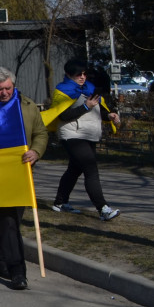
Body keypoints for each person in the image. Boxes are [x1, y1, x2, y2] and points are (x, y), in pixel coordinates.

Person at [0, 67, 48, 290]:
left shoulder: (28, 106)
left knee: (13, 221)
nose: (4, 93)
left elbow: (41, 133)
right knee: (9, 221)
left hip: (22, 172)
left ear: (14, 84)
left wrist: (36, 152)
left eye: (8, 88)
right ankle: (18, 272)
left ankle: (0, 258)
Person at [50, 59, 121, 220]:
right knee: (90, 169)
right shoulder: (62, 91)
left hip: (89, 134)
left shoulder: (89, 88)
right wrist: (85, 107)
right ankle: (103, 209)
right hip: (72, 134)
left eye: (84, 74)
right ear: (68, 74)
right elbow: (62, 115)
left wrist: (109, 116)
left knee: (74, 169)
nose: (82, 77)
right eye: (78, 74)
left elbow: (98, 111)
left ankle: (60, 203)